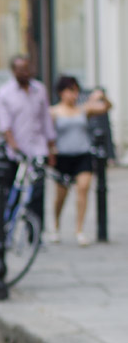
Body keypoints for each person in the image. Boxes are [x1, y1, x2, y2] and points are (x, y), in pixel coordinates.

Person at [48, 75, 112, 246]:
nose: (73, 95)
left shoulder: (84, 109)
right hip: (63, 157)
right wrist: (50, 151)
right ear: (61, 92)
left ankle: (79, 230)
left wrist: (101, 96)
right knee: (61, 196)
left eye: (75, 91)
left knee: (83, 189)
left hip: (82, 155)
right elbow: (47, 134)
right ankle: (55, 225)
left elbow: (107, 107)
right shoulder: (53, 112)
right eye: (70, 90)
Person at [0, 54, 56, 227]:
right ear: (13, 71)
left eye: (27, 68)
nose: (25, 73)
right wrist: (14, 146)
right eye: (20, 69)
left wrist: (52, 148)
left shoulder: (40, 90)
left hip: (38, 149)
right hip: (17, 153)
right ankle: (8, 228)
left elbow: (46, 120)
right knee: (14, 192)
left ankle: (35, 233)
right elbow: (5, 125)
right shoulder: (4, 94)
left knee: (37, 194)